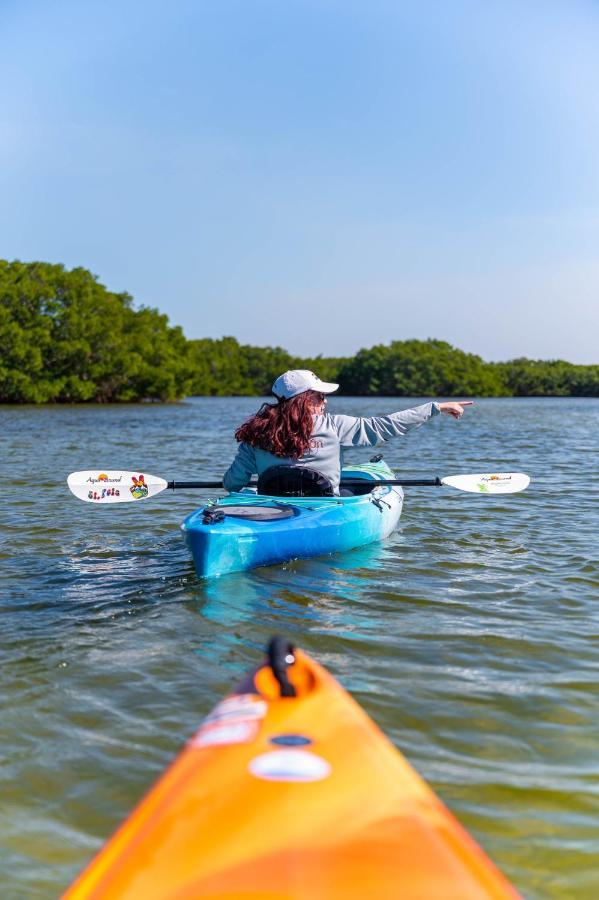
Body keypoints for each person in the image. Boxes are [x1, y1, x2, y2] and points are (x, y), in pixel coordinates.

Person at [223, 369, 473, 495]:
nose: (325, 402)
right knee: (360, 486)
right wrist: (436, 407)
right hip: (325, 508)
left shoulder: (255, 434)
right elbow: (385, 426)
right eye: (320, 396)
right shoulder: (334, 425)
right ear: (305, 399)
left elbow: (233, 484)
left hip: (273, 510)